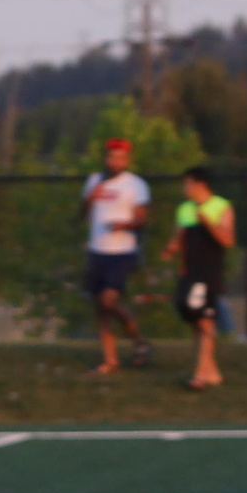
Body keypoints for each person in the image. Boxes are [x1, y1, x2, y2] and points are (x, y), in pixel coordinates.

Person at [80, 137, 151, 372]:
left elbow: (142, 219)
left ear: (127, 160)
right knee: (101, 308)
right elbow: (82, 214)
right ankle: (110, 359)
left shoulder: (135, 184)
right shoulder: (94, 181)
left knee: (108, 300)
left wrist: (124, 225)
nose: (116, 161)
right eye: (113, 156)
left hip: (121, 252)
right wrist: (90, 198)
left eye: (121, 157)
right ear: (106, 158)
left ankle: (138, 340)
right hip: (97, 251)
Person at [167, 164, 236, 390]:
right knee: (191, 315)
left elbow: (227, 240)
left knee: (204, 320)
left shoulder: (221, 206)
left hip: (208, 273)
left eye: (187, 184)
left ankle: (200, 374)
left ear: (199, 184)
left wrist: (207, 222)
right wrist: (171, 249)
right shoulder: (185, 209)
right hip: (190, 272)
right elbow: (179, 237)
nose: (184, 188)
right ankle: (211, 372)